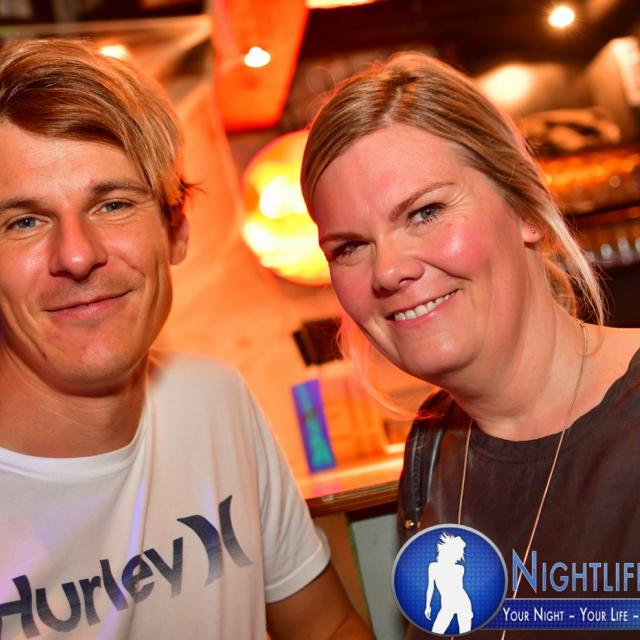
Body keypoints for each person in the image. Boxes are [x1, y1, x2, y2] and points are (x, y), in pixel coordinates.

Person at [0, 38, 373, 639]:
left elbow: (326, 627)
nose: (76, 255)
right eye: (24, 221)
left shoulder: (213, 402)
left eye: (112, 204)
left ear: (175, 229)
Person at [301, 51, 640, 638]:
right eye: (350, 247)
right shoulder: (433, 449)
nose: (388, 270)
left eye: (425, 212)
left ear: (526, 207)